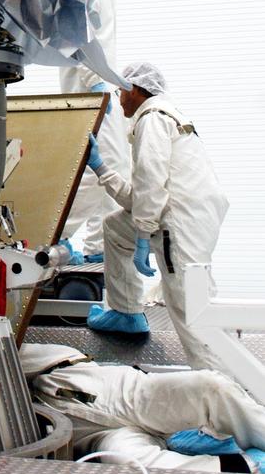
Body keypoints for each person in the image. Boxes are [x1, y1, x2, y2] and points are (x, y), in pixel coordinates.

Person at [85, 62, 229, 370]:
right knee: (114, 227)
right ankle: (126, 313)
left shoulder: (152, 118)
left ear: (135, 89)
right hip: (181, 214)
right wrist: (102, 169)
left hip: (178, 225)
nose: (119, 98)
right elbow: (140, 198)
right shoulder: (163, 117)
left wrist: (143, 233)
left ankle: (216, 395)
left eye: (120, 90)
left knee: (190, 309)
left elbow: (150, 183)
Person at [22, 342, 265, 474]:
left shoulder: (32, 359)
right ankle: (249, 467)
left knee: (209, 387)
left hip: (121, 394)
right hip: (96, 436)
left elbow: (3, 348)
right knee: (130, 466)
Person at [60, 0, 147, 261]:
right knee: (103, 168)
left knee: (113, 169)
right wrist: (94, 82)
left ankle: (99, 245)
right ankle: (56, 233)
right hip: (91, 91)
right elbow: (76, 40)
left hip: (102, 89)